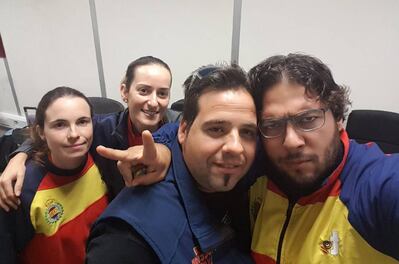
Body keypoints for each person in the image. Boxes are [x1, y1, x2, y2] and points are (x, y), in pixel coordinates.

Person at [247, 54, 399, 263]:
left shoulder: (377, 185)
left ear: (338, 118)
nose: (291, 141)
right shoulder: (256, 170)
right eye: (272, 125)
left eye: (308, 119)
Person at [85, 64, 257, 263]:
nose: (236, 147)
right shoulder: (126, 240)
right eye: (216, 129)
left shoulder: (249, 173)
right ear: (183, 132)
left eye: (247, 132)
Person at [0, 56, 180, 210]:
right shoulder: (102, 128)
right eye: (144, 91)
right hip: (118, 214)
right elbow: (48, 131)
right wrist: (19, 156)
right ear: (125, 92)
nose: (154, 102)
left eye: (162, 93)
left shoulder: (180, 127)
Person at [0, 87, 109, 263]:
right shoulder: (22, 188)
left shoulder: (101, 156)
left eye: (82, 122)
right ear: (42, 132)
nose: (74, 134)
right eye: (60, 125)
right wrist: (19, 156)